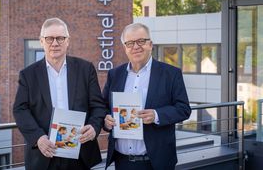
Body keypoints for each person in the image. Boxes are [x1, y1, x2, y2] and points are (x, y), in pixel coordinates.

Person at [13, 17, 106, 170]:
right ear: (41, 41)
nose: (55, 43)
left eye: (60, 38)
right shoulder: (28, 75)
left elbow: (98, 106)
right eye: (49, 38)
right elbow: (20, 109)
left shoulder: (86, 69)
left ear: (67, 41)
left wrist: (94, 127)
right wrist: (38, 138)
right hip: (44, 154)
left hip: (80, 154)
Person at [103, 23, 191, 170]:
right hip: (121, 161)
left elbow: (183, 109)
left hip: (156, 162)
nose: (136, 47)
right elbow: (104, 107)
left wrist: (156, 115)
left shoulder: (171, 74)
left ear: (150, 44)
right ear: (125, 48)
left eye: (141, 41)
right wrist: (106, 120)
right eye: (130, 43)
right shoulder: (114, 74)